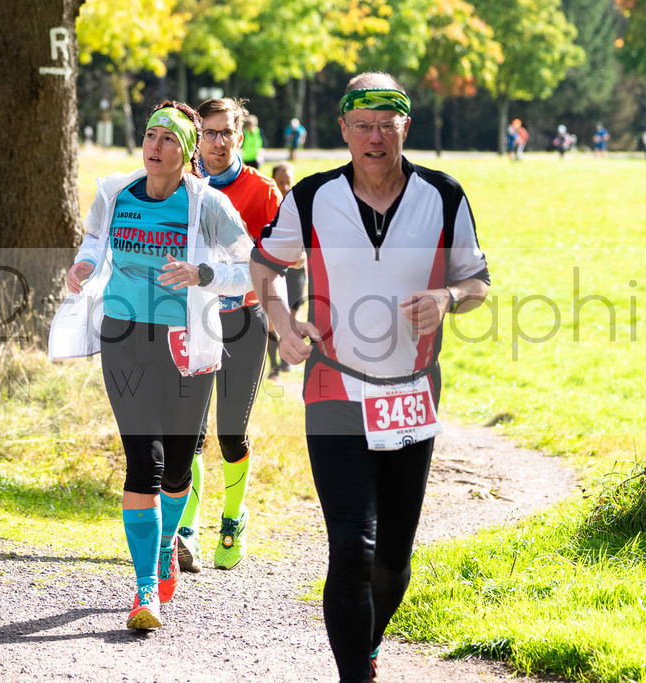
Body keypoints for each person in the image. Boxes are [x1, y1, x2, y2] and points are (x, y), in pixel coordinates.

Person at [250, 72, 489, 682]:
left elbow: (478, 281)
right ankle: (354, 673)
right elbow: (266, 266)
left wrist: (447, 297)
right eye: (363, 126)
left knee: (393, 562)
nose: (375, 137)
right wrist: (281, 320)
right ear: (344, 131)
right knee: (351, 544)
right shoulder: (310, 196)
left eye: (387, 125)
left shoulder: (443, 195)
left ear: (406, 127)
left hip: (412, 394)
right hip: (335, 385)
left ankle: (368, 642)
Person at [55, 100, 253, 630]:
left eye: (168, 140)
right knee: (145, 460)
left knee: (181, 464)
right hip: (125, 335)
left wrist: (203, 272)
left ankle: (167, 545)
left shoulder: (206, 204)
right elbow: (96, 237)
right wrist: (85, 264)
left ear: (187, 153)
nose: (154, 147)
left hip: (187, 341)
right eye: (149, 136)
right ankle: (145, 589)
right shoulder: (114, 192)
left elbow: (251, 266)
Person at [173, 98, 282, 573]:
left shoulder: (261, 191)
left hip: (243, 322)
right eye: (209, 133)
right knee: (190, 435)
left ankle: (233, 517)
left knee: (230, 434)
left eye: (226, 133)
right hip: (193, 321)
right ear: (197, 137)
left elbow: (280, 259)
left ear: (241, 136)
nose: (217, 142)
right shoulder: (181, 185)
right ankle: (187, 531)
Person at [265, 162, 304, 380]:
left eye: (288, 182)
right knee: (273, 318)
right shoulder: (267, 204)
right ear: (273, 182)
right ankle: (274, 364)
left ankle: (287, 357)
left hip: (296, 268)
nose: (285, 187)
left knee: (292, 316)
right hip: (273, 268)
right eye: (280, 183)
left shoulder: (300, 204)